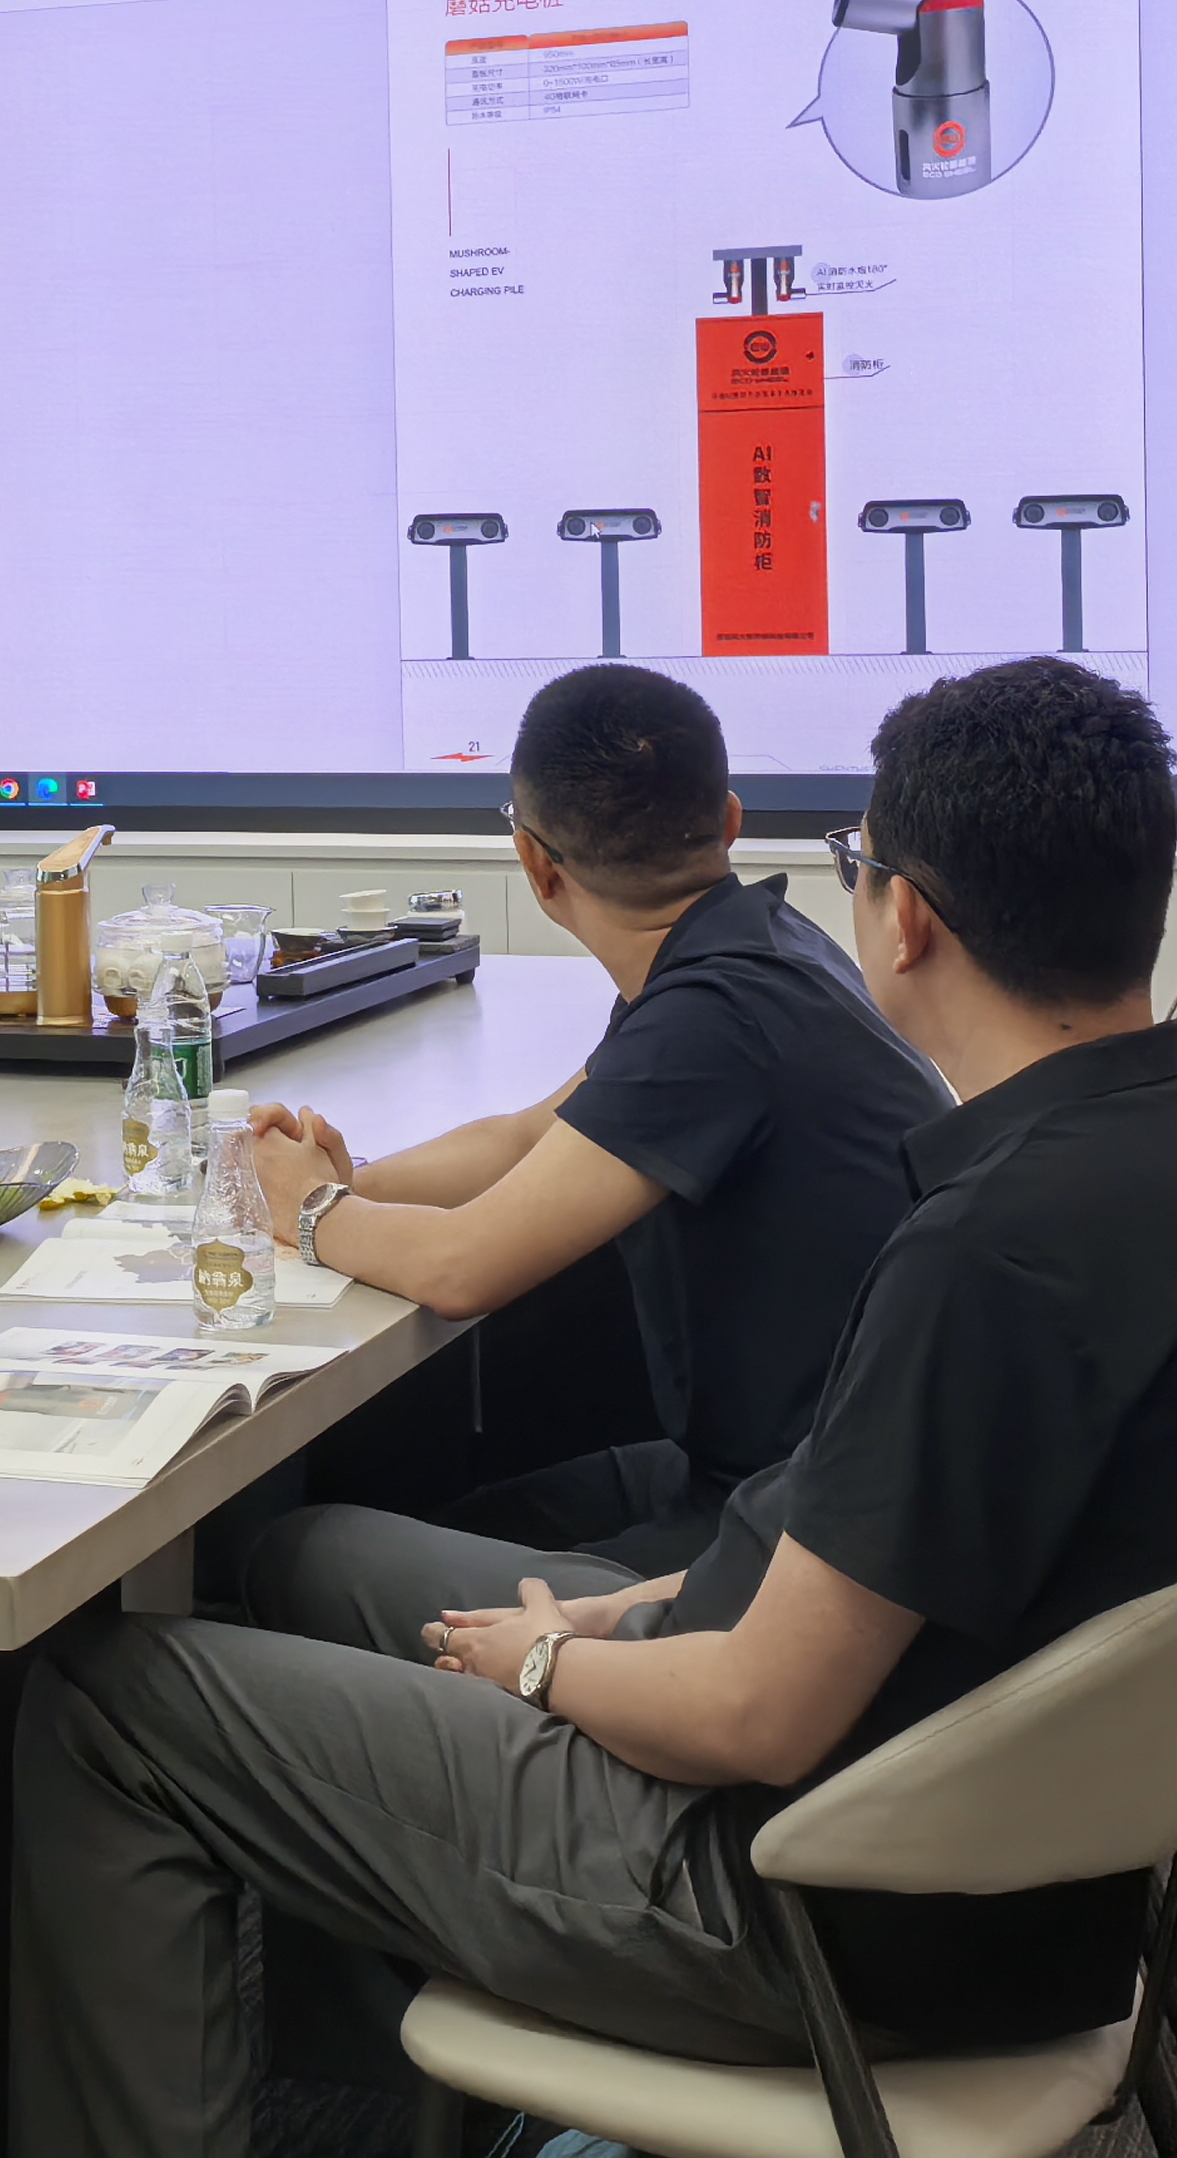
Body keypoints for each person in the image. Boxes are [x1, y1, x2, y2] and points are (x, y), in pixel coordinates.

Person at [6, 659, 1177, 2158]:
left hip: (794, 1900)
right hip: (996, 1865)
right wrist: (634, 1610)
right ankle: (426, 2109)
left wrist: (547, 1666)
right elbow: (851, 1554)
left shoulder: (992, 1255)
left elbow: (758, 1713)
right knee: (312, 1561)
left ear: (905, 919)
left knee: (109, 1703)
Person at [249, 664, 946, 1568]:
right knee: (433, 1521)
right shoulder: (756, 948)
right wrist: (350, 1183)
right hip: (789, 1472)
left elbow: (461, 1267)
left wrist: (310, 1211)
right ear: (730, 822)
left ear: (536, 865)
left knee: (298, 1556)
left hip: (792, 1529)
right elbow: (528, 1138)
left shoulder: (714, 1016)